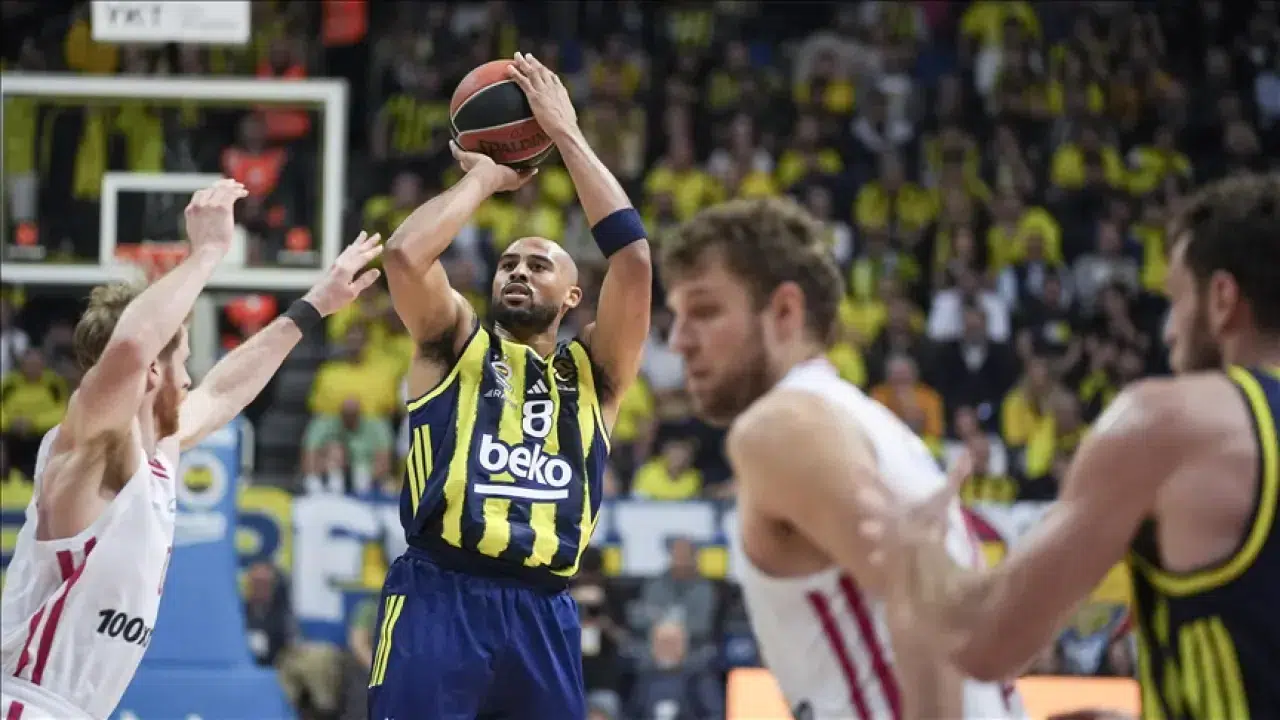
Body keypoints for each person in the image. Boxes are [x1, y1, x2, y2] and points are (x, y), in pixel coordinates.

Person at [861, 173, 1280, 719]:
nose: (1168, 333)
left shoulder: (1172, 423)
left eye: (1176, 301)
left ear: (1222, 299)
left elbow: (985, 640)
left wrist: (917, 546)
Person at [0, 179, 382, 720]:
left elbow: (223, 392)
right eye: (181, 362)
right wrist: (207, 252)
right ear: (152, 371)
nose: (189, 378)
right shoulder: (87, 449)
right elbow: (131, 345)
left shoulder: (159, 452)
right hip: (26, 702)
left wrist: (316, 303)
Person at [661, 195, 1022, 720]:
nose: (678, 342)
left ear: (785, 311)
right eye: (677, 316)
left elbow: (925, 609)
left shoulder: (780, 427)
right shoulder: (866, 421)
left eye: (705, 311)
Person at [369, 52, 651, 720]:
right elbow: (404, 256)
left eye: (539, 265)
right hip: (440, 592)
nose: (518, 272)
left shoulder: (597, 372)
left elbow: (634, 260)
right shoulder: (453, 341)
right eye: (507, 264)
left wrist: (565, 133)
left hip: (544, 610)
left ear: (573, 296)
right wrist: (486, 180)